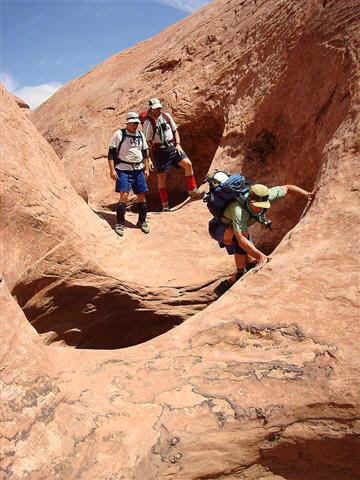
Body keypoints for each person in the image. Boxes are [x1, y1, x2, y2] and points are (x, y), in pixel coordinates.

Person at [211, 175, 315, 294]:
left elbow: (287, 188)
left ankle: (245, 266)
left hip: (236, 227)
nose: (260, 209)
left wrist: (307, 194)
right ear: (250, 201)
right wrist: (260, 257)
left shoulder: (266, 196)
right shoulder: (238, 211)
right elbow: (241, 240)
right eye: (258, 207)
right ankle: (238, 275)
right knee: (237, 238)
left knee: (246, 249)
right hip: (219, 229)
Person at [142, 98, 203, 211]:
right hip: (160, 151)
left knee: (188, 164)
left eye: (159, 108)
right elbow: (147, 142)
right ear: (151, 109)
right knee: (161, 178)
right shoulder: (148, 123)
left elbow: (175, 130)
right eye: (156, 109)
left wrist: (178, 144)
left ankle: (192, 190)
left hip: (172, 147)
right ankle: (165, 206)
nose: (158, 110)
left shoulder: (166, 116)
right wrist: (149, 159)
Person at [108, 112, 153, 236]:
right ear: (127, 123)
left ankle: (142, 221)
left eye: (137, 123)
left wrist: (147, 167)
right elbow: (111, 153)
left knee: (142, 195)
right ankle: (120, 223)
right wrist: (112, 170)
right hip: (123, 169)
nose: (135, 125)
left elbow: (145, 152)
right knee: (124, 195)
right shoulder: (119, 134)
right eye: (133, 123)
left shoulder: (140, 134)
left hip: (138, 169)